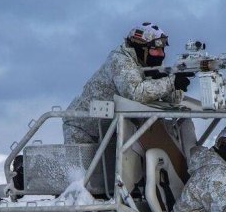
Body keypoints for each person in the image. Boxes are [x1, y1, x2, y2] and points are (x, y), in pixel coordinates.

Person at [63, 22, 193, 146]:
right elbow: (136, 93)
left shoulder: (147, 62)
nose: (161, 54)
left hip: (111, 129)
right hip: (83, 128)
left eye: (162, 49)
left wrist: (175, 84)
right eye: (156, 49)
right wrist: (170, 82)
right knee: (84, 163)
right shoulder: (119, 59)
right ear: (141, 49)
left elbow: (172, 100)